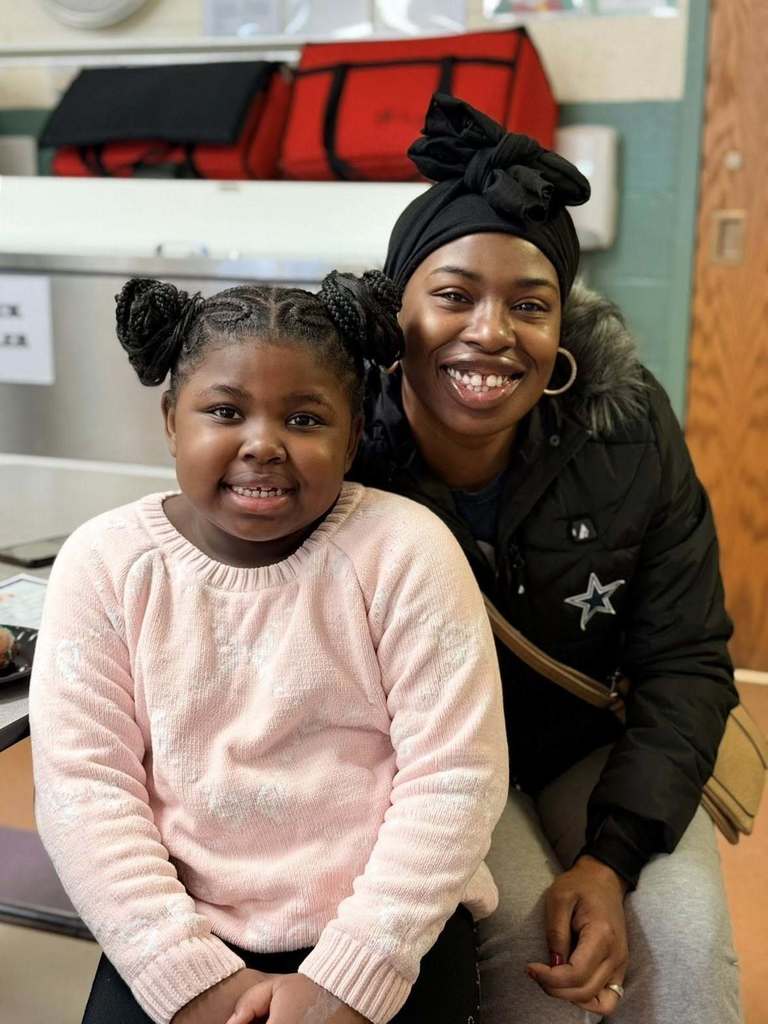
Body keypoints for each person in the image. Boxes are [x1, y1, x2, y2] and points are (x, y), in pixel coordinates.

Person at [353, 93, 743, 1023]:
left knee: (683, 949)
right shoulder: (334, 444)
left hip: (586, 746)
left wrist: (610, 860)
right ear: (394, 308)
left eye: (529, 305)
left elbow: (685, 654)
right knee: (535, 961)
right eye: (453, 295)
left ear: (561, 327)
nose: (490, 332)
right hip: (428, 762)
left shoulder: (626, 423)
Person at [29, 273, 508, 1024]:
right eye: (224, 411)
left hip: (384, 930)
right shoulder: (105, 564)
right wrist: (183, 973)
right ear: (169, 420)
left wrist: (351, 977)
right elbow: (84, 792)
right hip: (179, 930)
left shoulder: (407, 552)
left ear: (353, 436)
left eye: (306, 418)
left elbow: (456, 776)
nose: (262, 444)